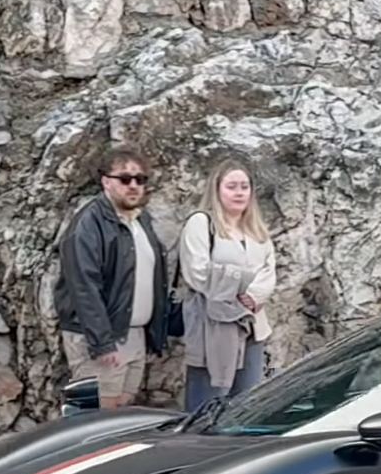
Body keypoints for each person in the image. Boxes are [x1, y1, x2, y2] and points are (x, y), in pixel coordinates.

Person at [50, 147, 175, 409]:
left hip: (134, 334)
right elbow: (83, 286)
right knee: (95, 417)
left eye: (140, 179)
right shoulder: (88, 224)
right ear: (106, 181)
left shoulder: (142, 220)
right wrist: (102, 342)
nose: (134, 186)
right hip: (101, 337)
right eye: (125, 179)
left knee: (121, 411)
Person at [179, 156, 277, 410]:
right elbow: (197, 272)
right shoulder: (202, 224)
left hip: (252, 323)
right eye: (231, 186)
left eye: (244, 187)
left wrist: (253, 296)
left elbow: (268, 271)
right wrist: (236, 288)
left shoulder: (256, 230)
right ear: (217, 188)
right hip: (214, 324)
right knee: (208, 400)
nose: (239, 193)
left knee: (246, 399)